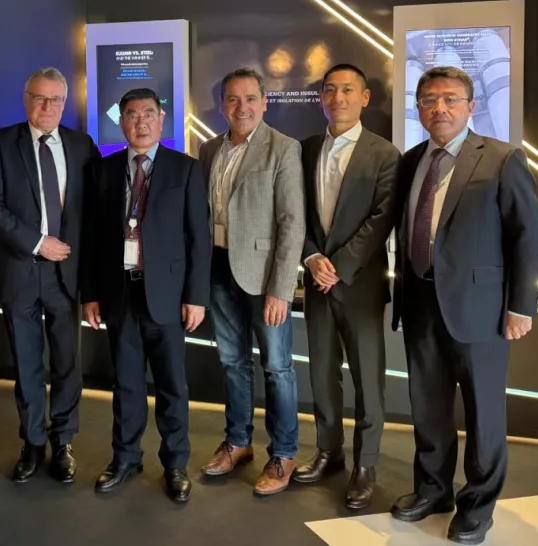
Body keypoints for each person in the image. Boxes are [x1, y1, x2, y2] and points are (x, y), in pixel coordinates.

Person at [391, 66, 538, 546]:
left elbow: (526, 236)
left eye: (451, 99)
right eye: (429, 100)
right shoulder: (411, 161)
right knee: (428, 408)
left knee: (483, 413)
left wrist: (521, 306)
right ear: (419, 108)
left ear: (471, 106)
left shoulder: (501, 158)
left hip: (481, 310)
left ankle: (477, 506)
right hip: (420, 303)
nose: (440, 108)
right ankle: (432, 490)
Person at [81, 88, 211, 503]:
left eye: (149, 114)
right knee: (126, 383)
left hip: (168, 296)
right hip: (119, 292)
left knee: (172, 384)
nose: (141, 123)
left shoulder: (186, 169)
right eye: (132, 115)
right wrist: (91, 293)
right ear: (121, 122)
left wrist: (196, 296)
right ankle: (125, 458)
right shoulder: (102, 171)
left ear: (161, 119)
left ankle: (175, 464)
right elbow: (91, 238)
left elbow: (199, 238)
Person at [0, 67, 99, 483]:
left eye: (55, 99)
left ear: (65, 103)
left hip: (67, 274)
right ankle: (32, 442)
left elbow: (94, 212)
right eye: (39, 98)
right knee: (26, 363)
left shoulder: (82, 145)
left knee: (67, 363)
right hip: (19, 269)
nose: (47, 106)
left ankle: (63, 441)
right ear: (26, 99)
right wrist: (37, 242)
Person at [293, 64, 400, 510]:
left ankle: (366, 464)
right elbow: (294, 212)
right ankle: (329, 451)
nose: (338, 98)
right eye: (331, 90)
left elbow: (382, 218)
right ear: (321, 97)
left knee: (367, 379)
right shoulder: (304, 149)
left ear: (364, 98)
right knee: (321, 374)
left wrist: (339, 265)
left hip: (360, 284)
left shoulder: (385, 154)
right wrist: (311, 257)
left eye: (348, 90)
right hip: (316, 281)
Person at [198, 68, 305, 496]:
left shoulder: (284, 148)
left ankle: (284, 453)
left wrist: (282, 289)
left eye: (249, 99)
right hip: (218, 269)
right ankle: (238, 442)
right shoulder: (209, 149)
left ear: (264, 102)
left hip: (264, 278)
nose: (241, 107)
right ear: (222, 104)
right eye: (232, 99)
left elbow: (292, 223)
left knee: (277, 367)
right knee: (232, 362)